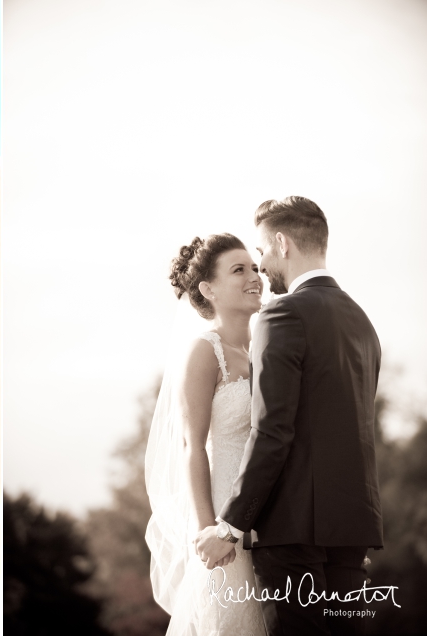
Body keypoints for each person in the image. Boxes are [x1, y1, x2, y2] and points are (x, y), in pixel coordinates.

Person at [194, 197, 383, 635]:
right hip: (352, 529)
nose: (261, 267)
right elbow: (357, 430)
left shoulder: (282, 314)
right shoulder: (362, 323)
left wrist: (229, 526)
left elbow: (273, 431)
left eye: (260, 253)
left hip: (293, 529)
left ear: (280, 242)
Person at [145, 232, 266, 634]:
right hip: (222, 512)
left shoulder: (266, 350)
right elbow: (191, 445)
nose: (255, 276)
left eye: (253, 267)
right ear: (207, 289)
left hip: (267, 516)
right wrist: (207, 528)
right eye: (239, 270)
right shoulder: (204, 351)